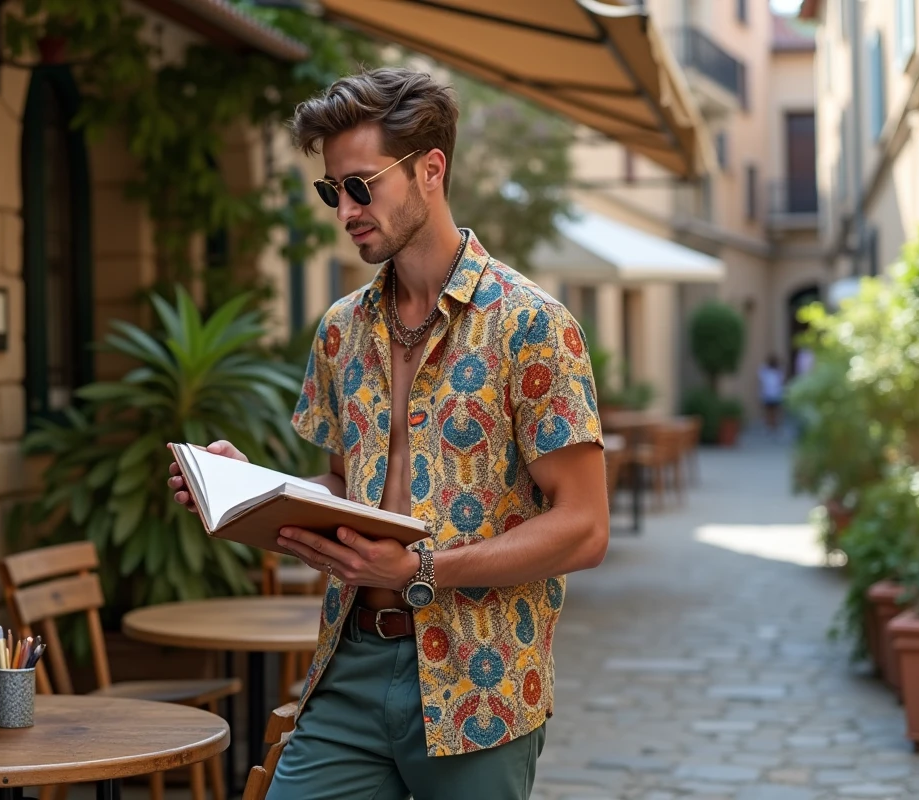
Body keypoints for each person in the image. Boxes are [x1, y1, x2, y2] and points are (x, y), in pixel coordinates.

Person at [168, 67, 610, 800]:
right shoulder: (342, 330)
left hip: (481, 684)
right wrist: (254, 490)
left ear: (430, 170)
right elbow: (346, 489)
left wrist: (421, 572)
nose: (344, 209)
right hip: (349, 670)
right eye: (331, 191)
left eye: (361, 186)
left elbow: (585, 528)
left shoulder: (531, 324)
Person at [759, 354, 786, 434]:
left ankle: (774, 426)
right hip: (769, 394)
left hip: (775, 394)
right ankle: (770, 426)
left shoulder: (777, 371)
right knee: (770, 411)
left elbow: (781, 381)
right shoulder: (765, 370)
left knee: (774, 411)